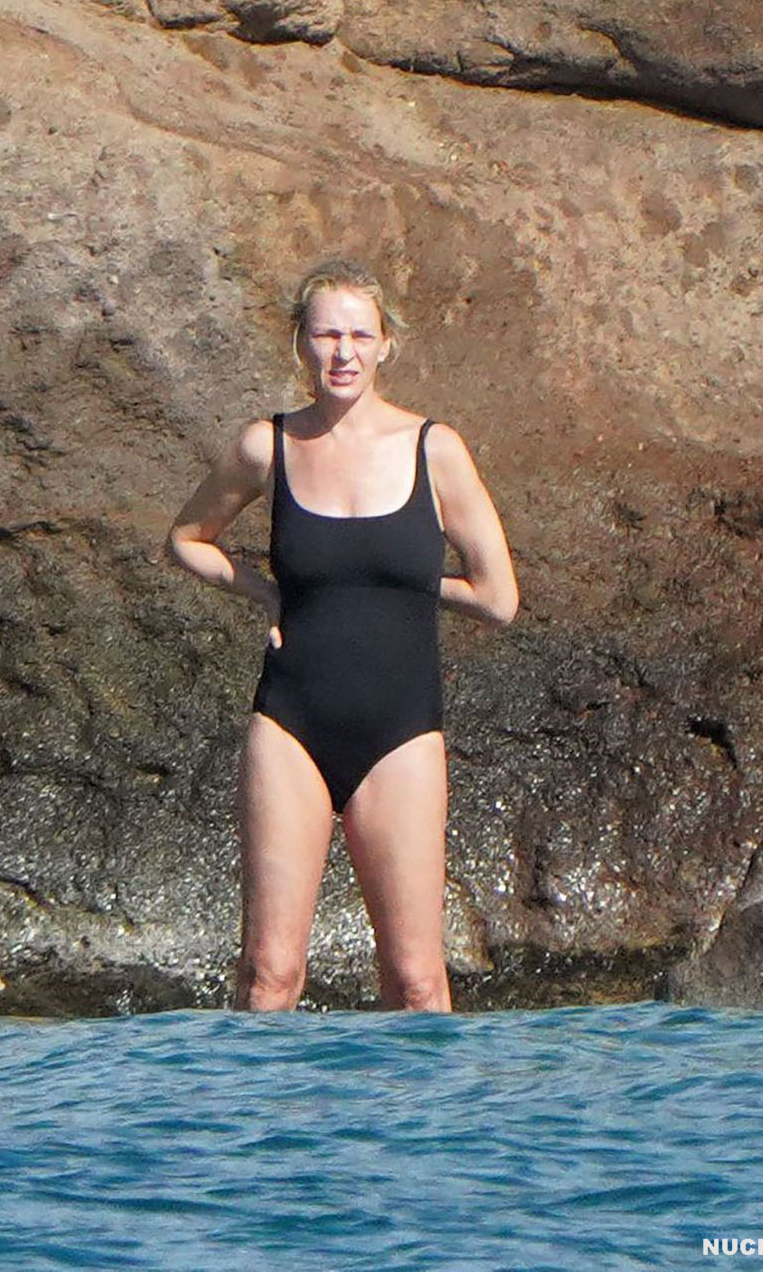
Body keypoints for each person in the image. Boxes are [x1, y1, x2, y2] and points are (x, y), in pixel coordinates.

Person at [166, 258, 518, 1013]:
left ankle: (417, 1098)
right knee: (270, 973)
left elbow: (498, 598)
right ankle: (254, 1095)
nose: (343, 353)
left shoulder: (435, 448)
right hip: (290, 723)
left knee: (417, 980)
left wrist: (411, 587)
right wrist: (264, 590)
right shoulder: (267, 445)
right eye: (327, 335)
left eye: (360, 335)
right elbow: (187, 539)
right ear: (301, 342)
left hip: (402, 731)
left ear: (387, 343)